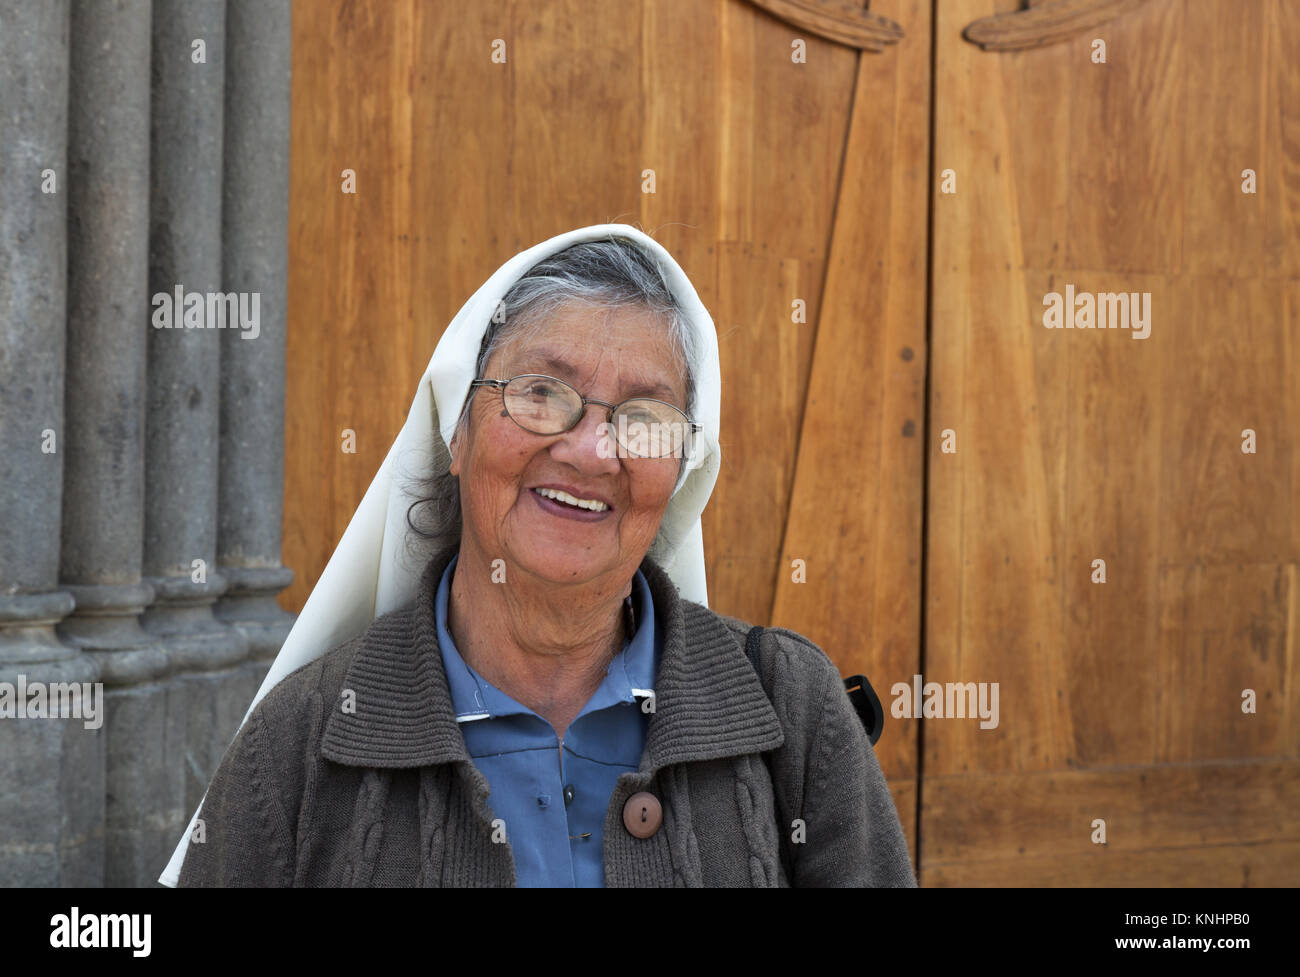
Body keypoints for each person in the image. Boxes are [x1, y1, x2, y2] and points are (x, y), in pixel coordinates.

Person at [163, 224, 917, 887]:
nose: (593, 450)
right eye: (541, 392)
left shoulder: (795, 708)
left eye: (645, 417)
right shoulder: (301, 742)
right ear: (455, 432)